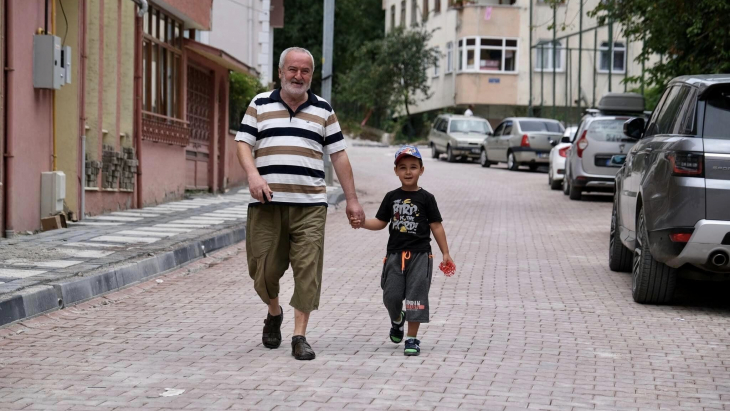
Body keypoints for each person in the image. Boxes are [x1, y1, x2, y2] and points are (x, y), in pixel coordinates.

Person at [235, 47, 365, 361]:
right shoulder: (260, 104)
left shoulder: (323, 109)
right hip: (267, 204)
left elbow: (338, 155)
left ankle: (299, 336)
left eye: (305, 71)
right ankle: (274, 311)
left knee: (308, 269)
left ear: (311, 75)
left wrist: (352, 200)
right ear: (281, 72)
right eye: (293, 69)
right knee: (262, 270)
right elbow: (242, 143)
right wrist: (253, 176)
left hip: (310, 206)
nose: (298, 76)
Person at [349, 146, 454, 356]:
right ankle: (397, 319)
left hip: (421, 256)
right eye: (403, 167)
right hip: (395, 256)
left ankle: (412, 339)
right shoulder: (391, 197)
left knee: (416, 297)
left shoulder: (427, 198)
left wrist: (445, 252)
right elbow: (380, 222)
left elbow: (436, 226)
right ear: (396, 170)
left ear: (421, 170)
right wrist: (361, 223)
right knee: (391, 296)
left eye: (413, 167)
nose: (408, 172)